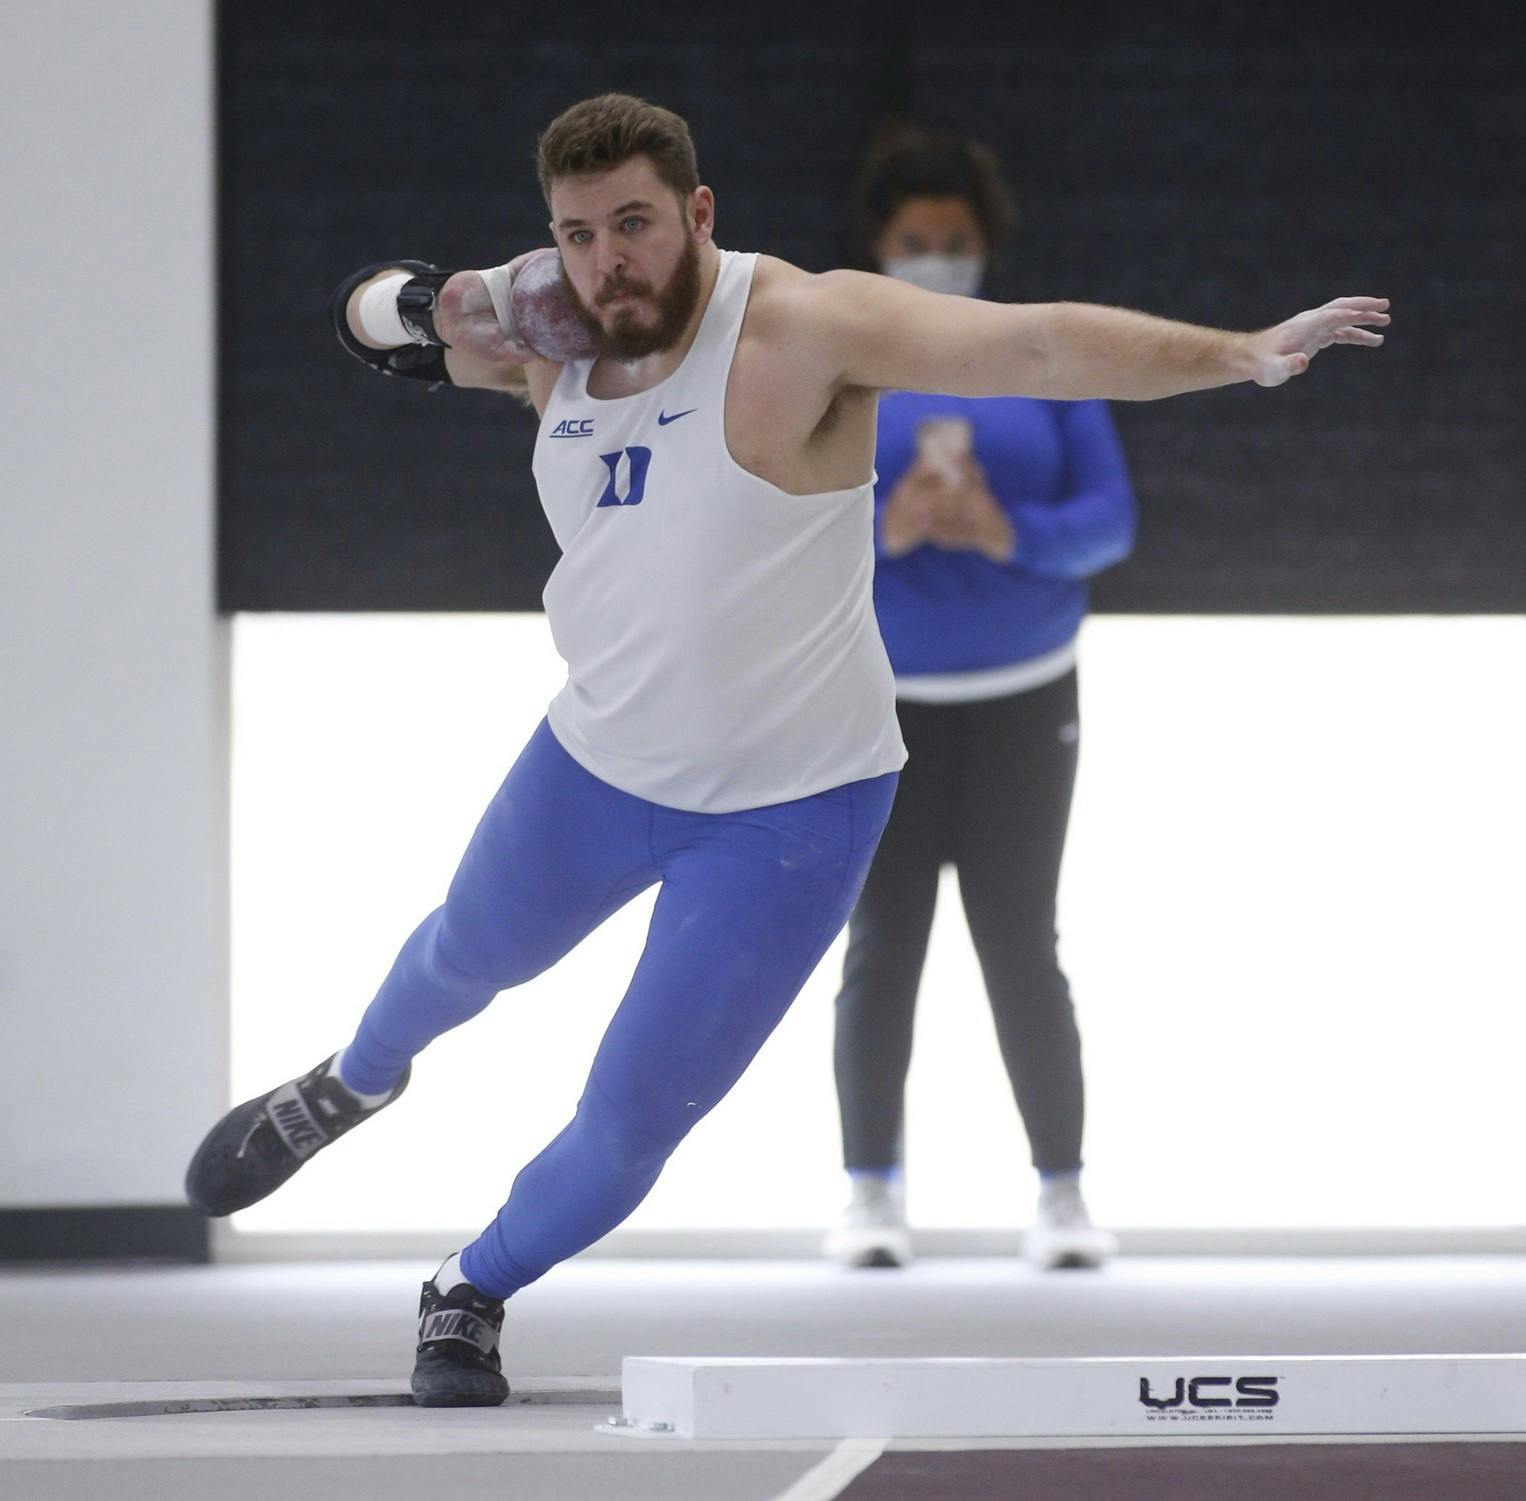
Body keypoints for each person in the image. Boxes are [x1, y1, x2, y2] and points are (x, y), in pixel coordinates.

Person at [184, 93, 1390, 1407]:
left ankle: (467, 1290)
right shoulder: (551, 342)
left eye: (635, 224)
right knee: (464, 955)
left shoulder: (803, 328)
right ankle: (349, 1084)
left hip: (790, 815)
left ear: (698, 214)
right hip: (596, 769)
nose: (610, 261)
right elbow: (356, 322)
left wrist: (1240, 352)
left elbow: (1035, 344)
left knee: (635, 1115)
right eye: (578, 235)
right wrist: (426, 303)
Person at [824, 129, 1135, 1273]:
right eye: (917, 244)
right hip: (879, 702)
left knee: (1019, 941)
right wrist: (885, 528)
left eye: (956, 244)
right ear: (879, 245)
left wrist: (1008, 533)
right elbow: (777, 533)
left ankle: (1060, 1194)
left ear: (984, 246)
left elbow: (1111, 521)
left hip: (1021, 696)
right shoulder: (842, 365)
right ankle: (869, 1194)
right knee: (881, 943)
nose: (938, 261)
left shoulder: (1043, 363)